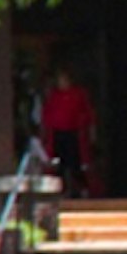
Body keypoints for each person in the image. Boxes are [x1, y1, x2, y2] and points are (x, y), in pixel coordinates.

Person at [37, 65, 99, 197]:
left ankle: (82, 189)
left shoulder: (78, 94)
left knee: (76, 163)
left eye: (64, 79)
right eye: (59, 80)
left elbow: (89, 114)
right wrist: (44, 134)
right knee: (59, 164)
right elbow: (46, 116)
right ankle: (61, 190)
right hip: (58, 135)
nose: (61, 82)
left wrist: (92, 132)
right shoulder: (54, 96)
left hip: (74, 134)